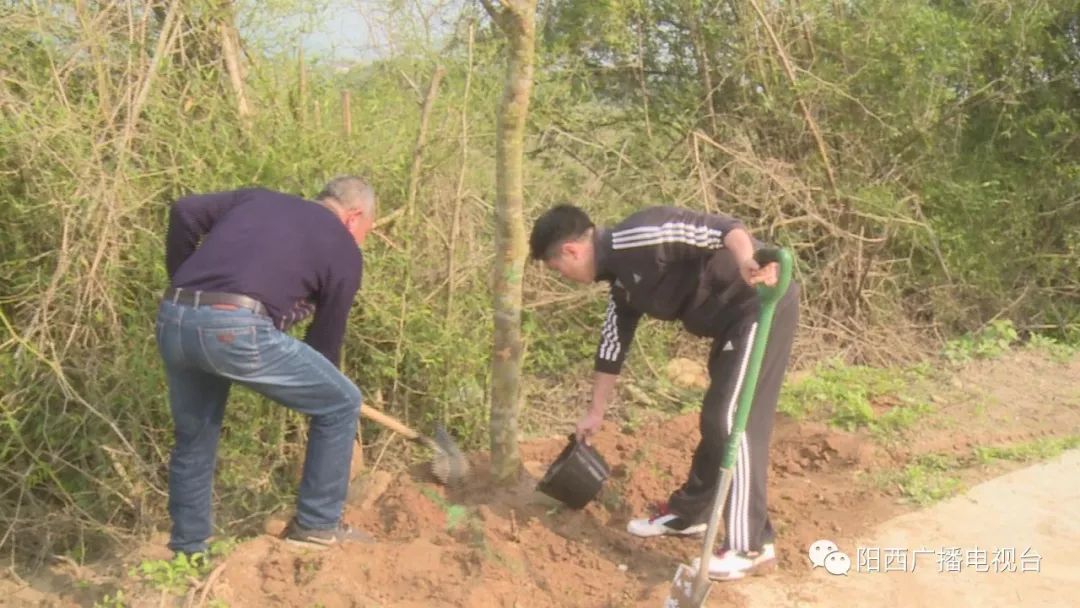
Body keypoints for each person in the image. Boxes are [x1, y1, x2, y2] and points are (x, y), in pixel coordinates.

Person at [529, 204, 798, 580]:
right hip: (729, 326)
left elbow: (725, 228)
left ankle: (751, 545)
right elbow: (612, 344)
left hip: (759, 305)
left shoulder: (641, 234)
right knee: (717, 418)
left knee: (731, 419)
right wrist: (595, 411)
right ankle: (692, 514)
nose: (565, 277)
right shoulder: (621, 282)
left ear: (572, 251)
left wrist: (746, 261)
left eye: (559, 269)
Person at [157, 176, 376, 554]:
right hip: (234, 327)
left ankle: (188, 551)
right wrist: (319, 393)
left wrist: (183, 279)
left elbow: (184, 210)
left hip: (174, 319)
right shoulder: (343, 247)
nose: (361, 240)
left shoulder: (256, 198)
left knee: (195, 437)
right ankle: (317, 524)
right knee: (341, 402)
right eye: (366, 231)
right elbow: (325, 343)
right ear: (354, 217)